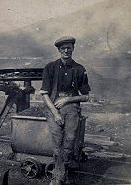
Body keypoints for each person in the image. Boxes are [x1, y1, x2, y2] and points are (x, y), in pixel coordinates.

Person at [40, 36, 91, 185]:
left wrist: (68, 100)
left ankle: (60, 173)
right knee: (57, 141)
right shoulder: (50, 67)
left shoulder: (80, 69)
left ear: (73, 49)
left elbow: (86, 96)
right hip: (52, 107)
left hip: (71, 107)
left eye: (69, 47)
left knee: (69, 140)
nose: (66, 50)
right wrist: (55, 114)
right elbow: (44, 94)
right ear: (59, 50)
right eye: (63, 48)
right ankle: (58, 177)